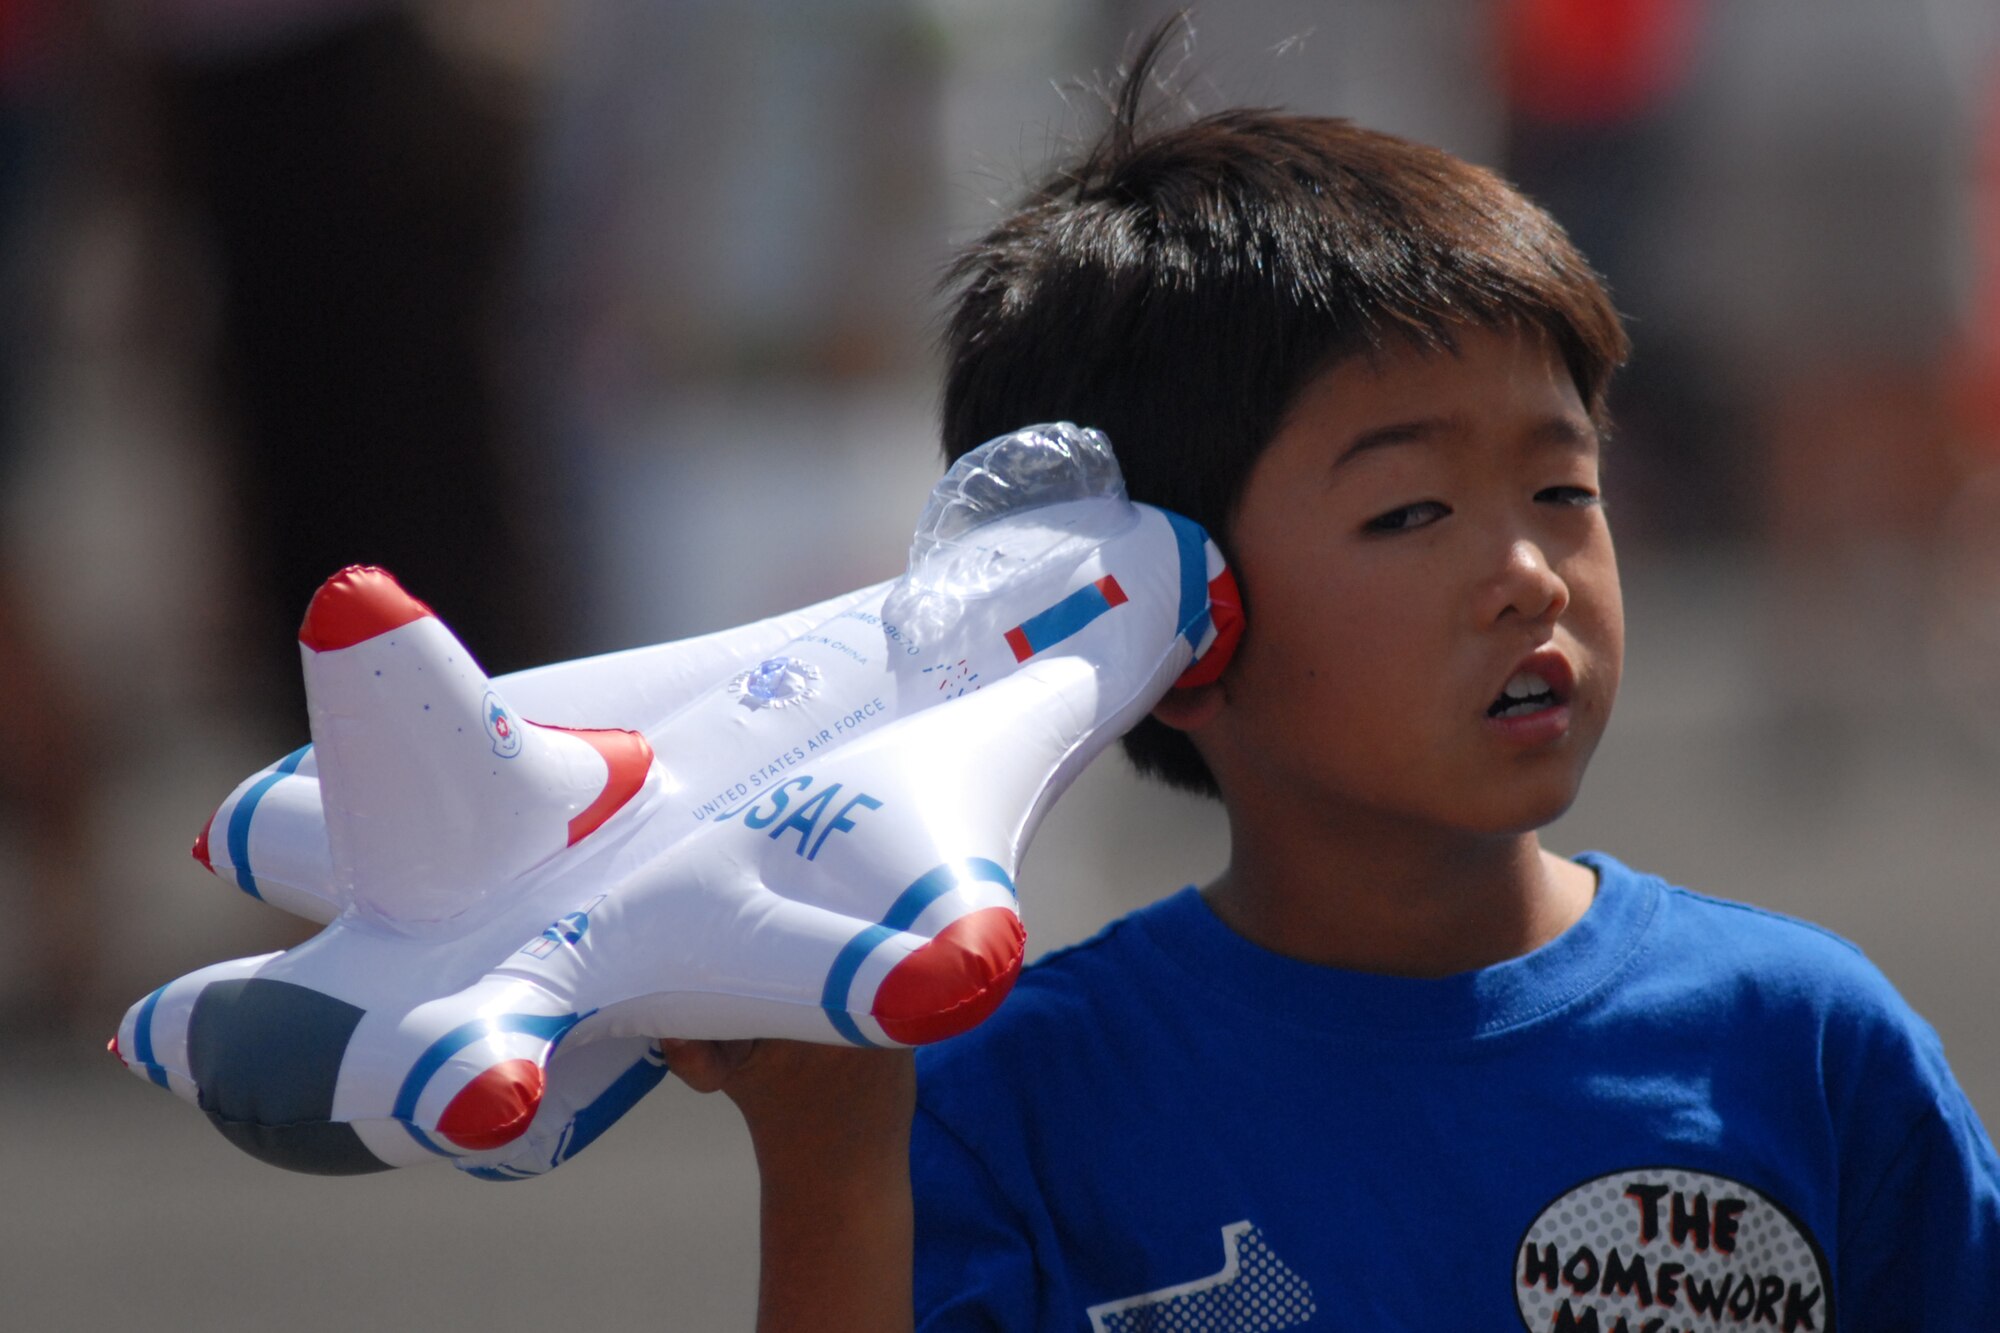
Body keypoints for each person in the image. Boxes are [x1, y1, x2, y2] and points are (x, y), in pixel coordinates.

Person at [662, 27, 2000, 1330]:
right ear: (1161, 619)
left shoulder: (1805, 1046)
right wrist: (829, 1157)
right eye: (1411, 511)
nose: (1532, 571)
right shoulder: (1014, 1099)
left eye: (1563, 486)